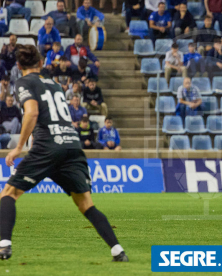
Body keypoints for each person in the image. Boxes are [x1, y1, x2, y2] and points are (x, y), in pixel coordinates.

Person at [0, 45, 128, 261]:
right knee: (86, 204)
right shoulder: (56, 85)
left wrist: (19, 147)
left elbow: (31, 113)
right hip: (71, 145)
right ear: (40, 64)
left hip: (47, 146)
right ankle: (118, 250)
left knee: (9, 194)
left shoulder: (24, 82)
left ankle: (3, 246)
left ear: (19, 66)